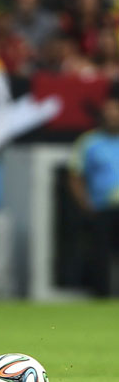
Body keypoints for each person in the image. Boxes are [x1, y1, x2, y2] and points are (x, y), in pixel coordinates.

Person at [68, 94, 119, 296]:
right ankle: (102, 296)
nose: (113, 115)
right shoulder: (89, 142)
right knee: (101, 255)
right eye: (109, 111)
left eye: (116, 111)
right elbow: (75, 175)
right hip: (102, 207)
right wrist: (84, 203)